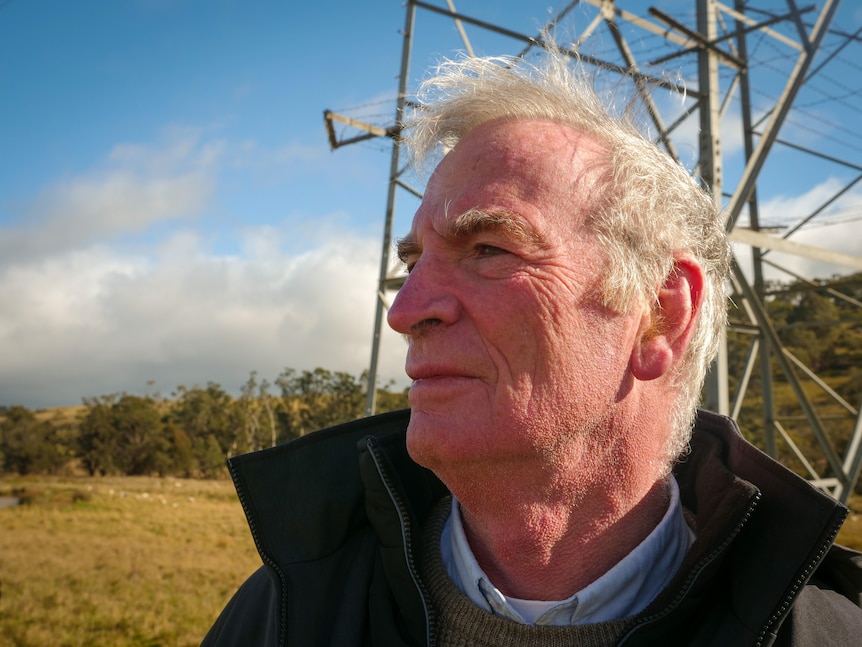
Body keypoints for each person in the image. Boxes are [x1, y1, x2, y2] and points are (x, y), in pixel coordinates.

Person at [203, 49, 862, 646]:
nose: (405, 312)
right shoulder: (285, 614)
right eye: (413, 264)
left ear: (660, 313)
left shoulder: (826, 633)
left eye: (488, 248)